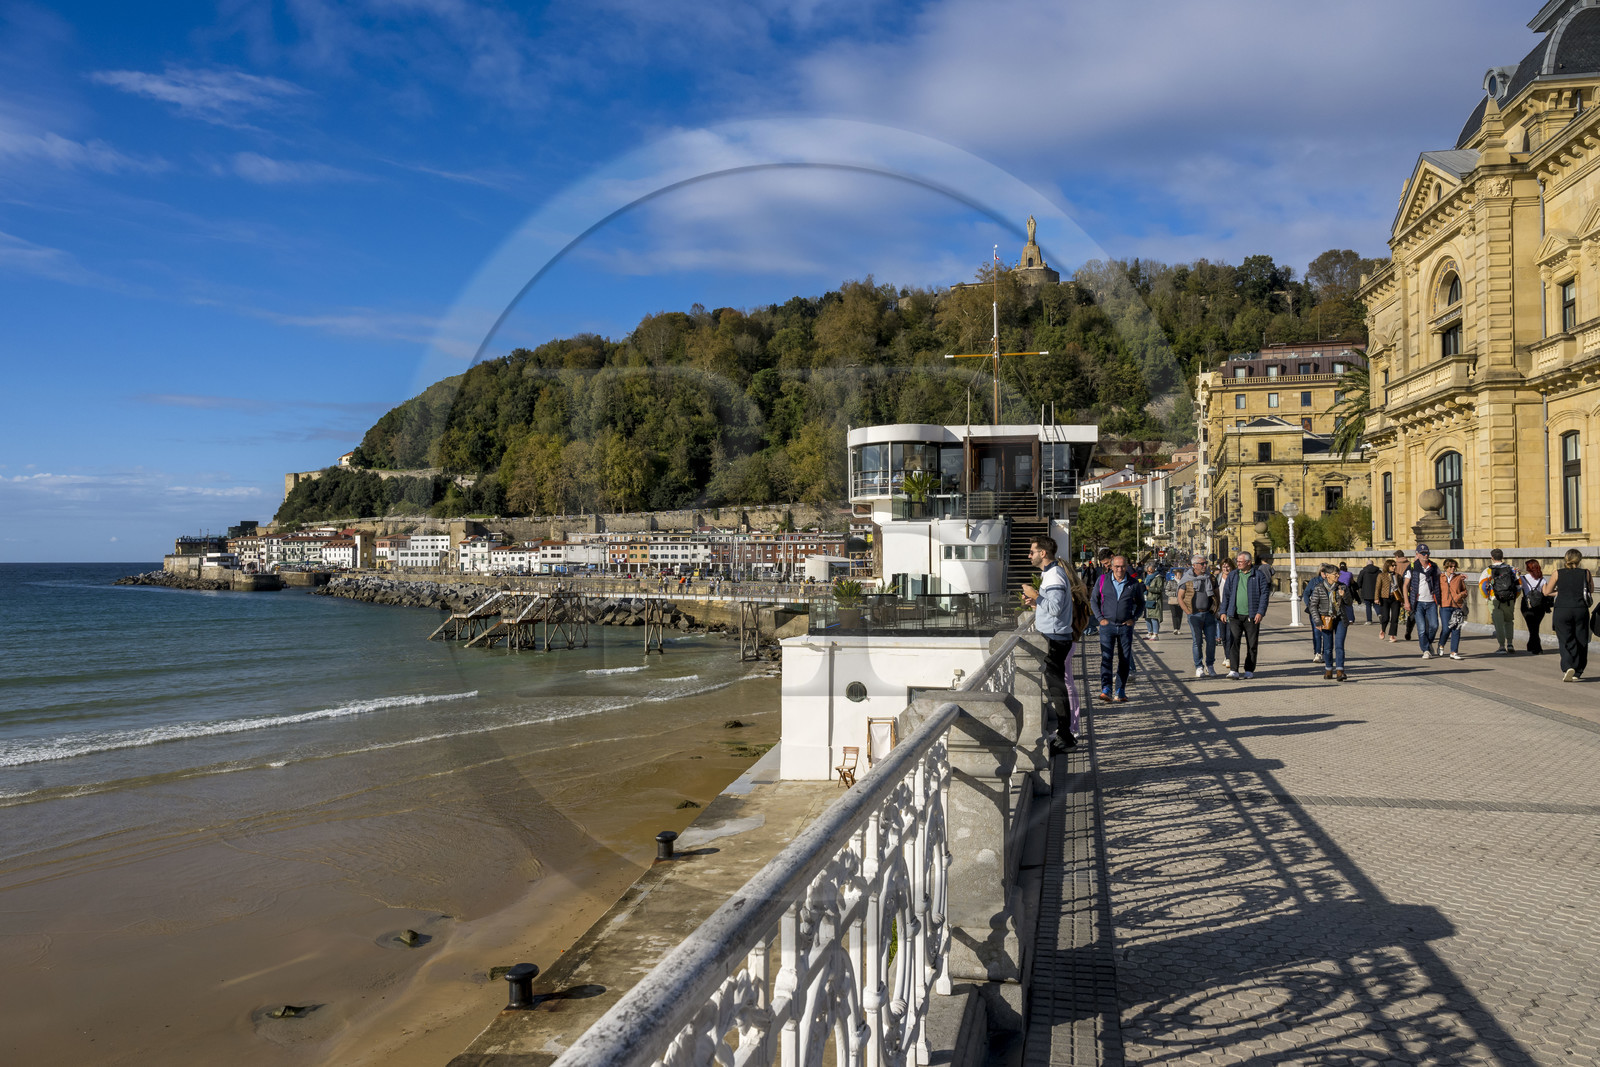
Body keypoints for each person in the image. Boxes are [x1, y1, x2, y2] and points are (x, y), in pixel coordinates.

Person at [1021, 536, 1083, 752]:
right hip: (1055, 636)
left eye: (1032, 552)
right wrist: (1037, 602)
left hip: (1055, 638)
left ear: (1043, 554)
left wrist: (1035, 596)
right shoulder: (1050, 573)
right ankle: (1065, 734)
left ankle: (1066, 737)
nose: (1029, 556)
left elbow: (1056, 608)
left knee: (1057, 690)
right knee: (1057, 688)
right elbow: (1053, 605)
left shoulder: (1054, 575)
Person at [1089, 554, 1145, 702]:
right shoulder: (1102, 580)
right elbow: (1093, 600)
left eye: (1122, 566)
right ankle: (1106, 689)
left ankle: (1120, 690)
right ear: (1111, 567)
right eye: (1117, 566)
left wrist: (1134, 618)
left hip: (1125, 627)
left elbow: (1141, 603)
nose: (1120, 569)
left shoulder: (1133, 583)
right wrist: (1100, 619)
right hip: (1107, 627)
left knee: (1124, 659)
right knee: (1106, 658)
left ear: (1126, 566)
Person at [1542, 548, 1594, 682]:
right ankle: (1578, 670)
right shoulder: (1586, 573)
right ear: (1579, 559)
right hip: (1580, 609)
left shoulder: (1557, 573)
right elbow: (1591, 590)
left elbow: (1547, 592)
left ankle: (1567, 666)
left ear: (1566, 559)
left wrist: (1554, 591)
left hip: (1562, 609)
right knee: (1581, 639)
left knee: (1565, 639)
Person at [1221, 551, 1271, 678]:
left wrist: (1260, 612)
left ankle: (1249, 669)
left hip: (1252, 615)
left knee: (1252, 644)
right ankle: (1234, 670)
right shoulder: (1233, 575)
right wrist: (1223, 611)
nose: (1238, 563)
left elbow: (1264, 595)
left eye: (1240, 561)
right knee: (1234, 642)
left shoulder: (1258, 575)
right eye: (1237, 561)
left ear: (1249, 562)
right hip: (1234, 615)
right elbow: (1226, 595)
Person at [1177, 554, 1220, 678]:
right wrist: (1188, 612)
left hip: (1209, 614)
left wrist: (1216, 609)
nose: (1204, 565)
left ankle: (1210, 665)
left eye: (1205, 563)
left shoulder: (1211, 578)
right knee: (1197, 641)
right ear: (1194, 565)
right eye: (1202, 564)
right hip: (1194, 615)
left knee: (1211, 641)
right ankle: (1199, 666)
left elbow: (1217, 595)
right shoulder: (1187, 579)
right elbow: (1180, 597)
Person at [1307, 562, 1353, 680]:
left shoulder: (1342, 587)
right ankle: (1328, 670)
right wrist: (1317, 622)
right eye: (1335, 574)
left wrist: (1344, 596)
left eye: (1338, 574)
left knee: (1339, 646)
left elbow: (1349, 603)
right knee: (1327, 647)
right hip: (1325, 620)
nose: (1337, 576)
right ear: (1327, 575)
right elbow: (1313, 606)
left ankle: (1340, 671)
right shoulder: (1319, 588)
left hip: (1340, 619)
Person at [1403, 544, 1442, 659]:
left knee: (1434, 626)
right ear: (1417, 555)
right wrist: (1406, 602)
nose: (1425, 555)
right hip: (1418, 602)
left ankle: (1428, 643)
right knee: (1421, 628)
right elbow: (1405, 585)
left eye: (1427, 553)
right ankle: (1425, 650)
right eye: (1423, 553)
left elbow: (1442, 581)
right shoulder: (1412, 567)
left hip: (1431, 601)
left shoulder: (1434, 567)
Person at [1479, 548, 1520, 653]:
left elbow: (1482, 586)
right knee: (1509, 621)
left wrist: (1486, 597)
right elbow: (1519, 586)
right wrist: (1514, 597)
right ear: (1502, 557)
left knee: (1498, 624)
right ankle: (1510, 644)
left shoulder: (1488, 570)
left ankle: (1502, 646)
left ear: (1492, 558)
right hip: (1509, 600)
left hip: (1495, 599)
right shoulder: (1512, 569)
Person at [1438, 557, 1469, 660]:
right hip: (1445, 606)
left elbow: (1465, 592)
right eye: (1450, 566)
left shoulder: (1459, 578)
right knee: (1446, 628)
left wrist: (1459, 595)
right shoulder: (1440, 578)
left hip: (1457, 606)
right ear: (1445, 567)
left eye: (1454, 567)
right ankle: (1441, 644)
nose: (1453, 568)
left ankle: (1454, 652)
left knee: (1456, 628)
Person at [1520, 559, 1548, 655]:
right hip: (1540, 606)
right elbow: (1545, 593)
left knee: (1532, 627)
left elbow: (1518, 588)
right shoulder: (1542, 579)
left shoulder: (1522, 578)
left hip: (1527, 605)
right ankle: (1532, 645)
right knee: (1535, 626)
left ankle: (1537, 648)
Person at [1215, 557, 1236, 669]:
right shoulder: (1218, 578)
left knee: (1230, 635)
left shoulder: (1235, 577)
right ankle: (1226, 655)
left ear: (1232, 567)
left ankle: (1229, 657)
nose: (1226, 568)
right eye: (1224, 566)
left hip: (1231, 609)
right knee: (1223, 636)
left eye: (1228, 566)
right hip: (1220, 610)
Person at [1301, 567, 1326, 662]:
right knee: (1316, 632)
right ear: (1321, 572)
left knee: (1326, 632)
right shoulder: (1314, 581)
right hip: (1314, 610)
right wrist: (1309, 605)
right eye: (1324, 572)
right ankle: (1317, 652)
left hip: (1326, 611)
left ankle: (1325, 653)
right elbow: (1306, 593)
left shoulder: (1331, 582)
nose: (1325, 574)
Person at [1374, 558, 1401, 642]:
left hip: (1395, 598)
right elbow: (1377, 587)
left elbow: (1401, 588)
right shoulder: (1381, 575)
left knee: (1395, 617)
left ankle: (1392, 635)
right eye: (1392, 565)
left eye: (1395, 565)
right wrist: (1376, 598)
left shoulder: (1398, 576)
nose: (1394, 567)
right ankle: (1383, 629)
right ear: (1388, 566)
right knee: (1385, 617)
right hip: (1385, 598)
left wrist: (1403, 600)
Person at [1143, 565, 1167, 641]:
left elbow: (1160, 589)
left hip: (1154, 600)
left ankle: (1155, 634)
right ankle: (1149, 632)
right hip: (1146, 598)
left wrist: (1149, 588)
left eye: (1150, 571)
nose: (1149, 573)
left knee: (1154, 617)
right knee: (1147, 617)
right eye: (1147, 571)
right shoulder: (1147, 578)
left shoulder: (1158, 577)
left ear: (1154, 570)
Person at [1358, 559, 1381, 624]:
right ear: (1373, 564)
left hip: (1366, 591)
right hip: (1376, 591)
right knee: (1376, 604)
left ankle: (1369, 620)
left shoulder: (1363, 571)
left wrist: (1360, 587)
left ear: (1367, 564)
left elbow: (1359, 581)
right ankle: (1379, 614)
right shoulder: (1378, 571)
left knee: (1368, 606)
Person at [1166, 567, 1184, 633]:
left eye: (1181, 575)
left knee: (1180, 615)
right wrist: (1175, 594)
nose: (1179, 577)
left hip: (1181, 601)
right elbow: (1167, 591)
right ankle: (1175, 628)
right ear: (1175, 575)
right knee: (1174, 614)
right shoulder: (1171, 582)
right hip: (1173, 601)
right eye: (1178, 575)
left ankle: (1178, 628)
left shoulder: (1183, 583)